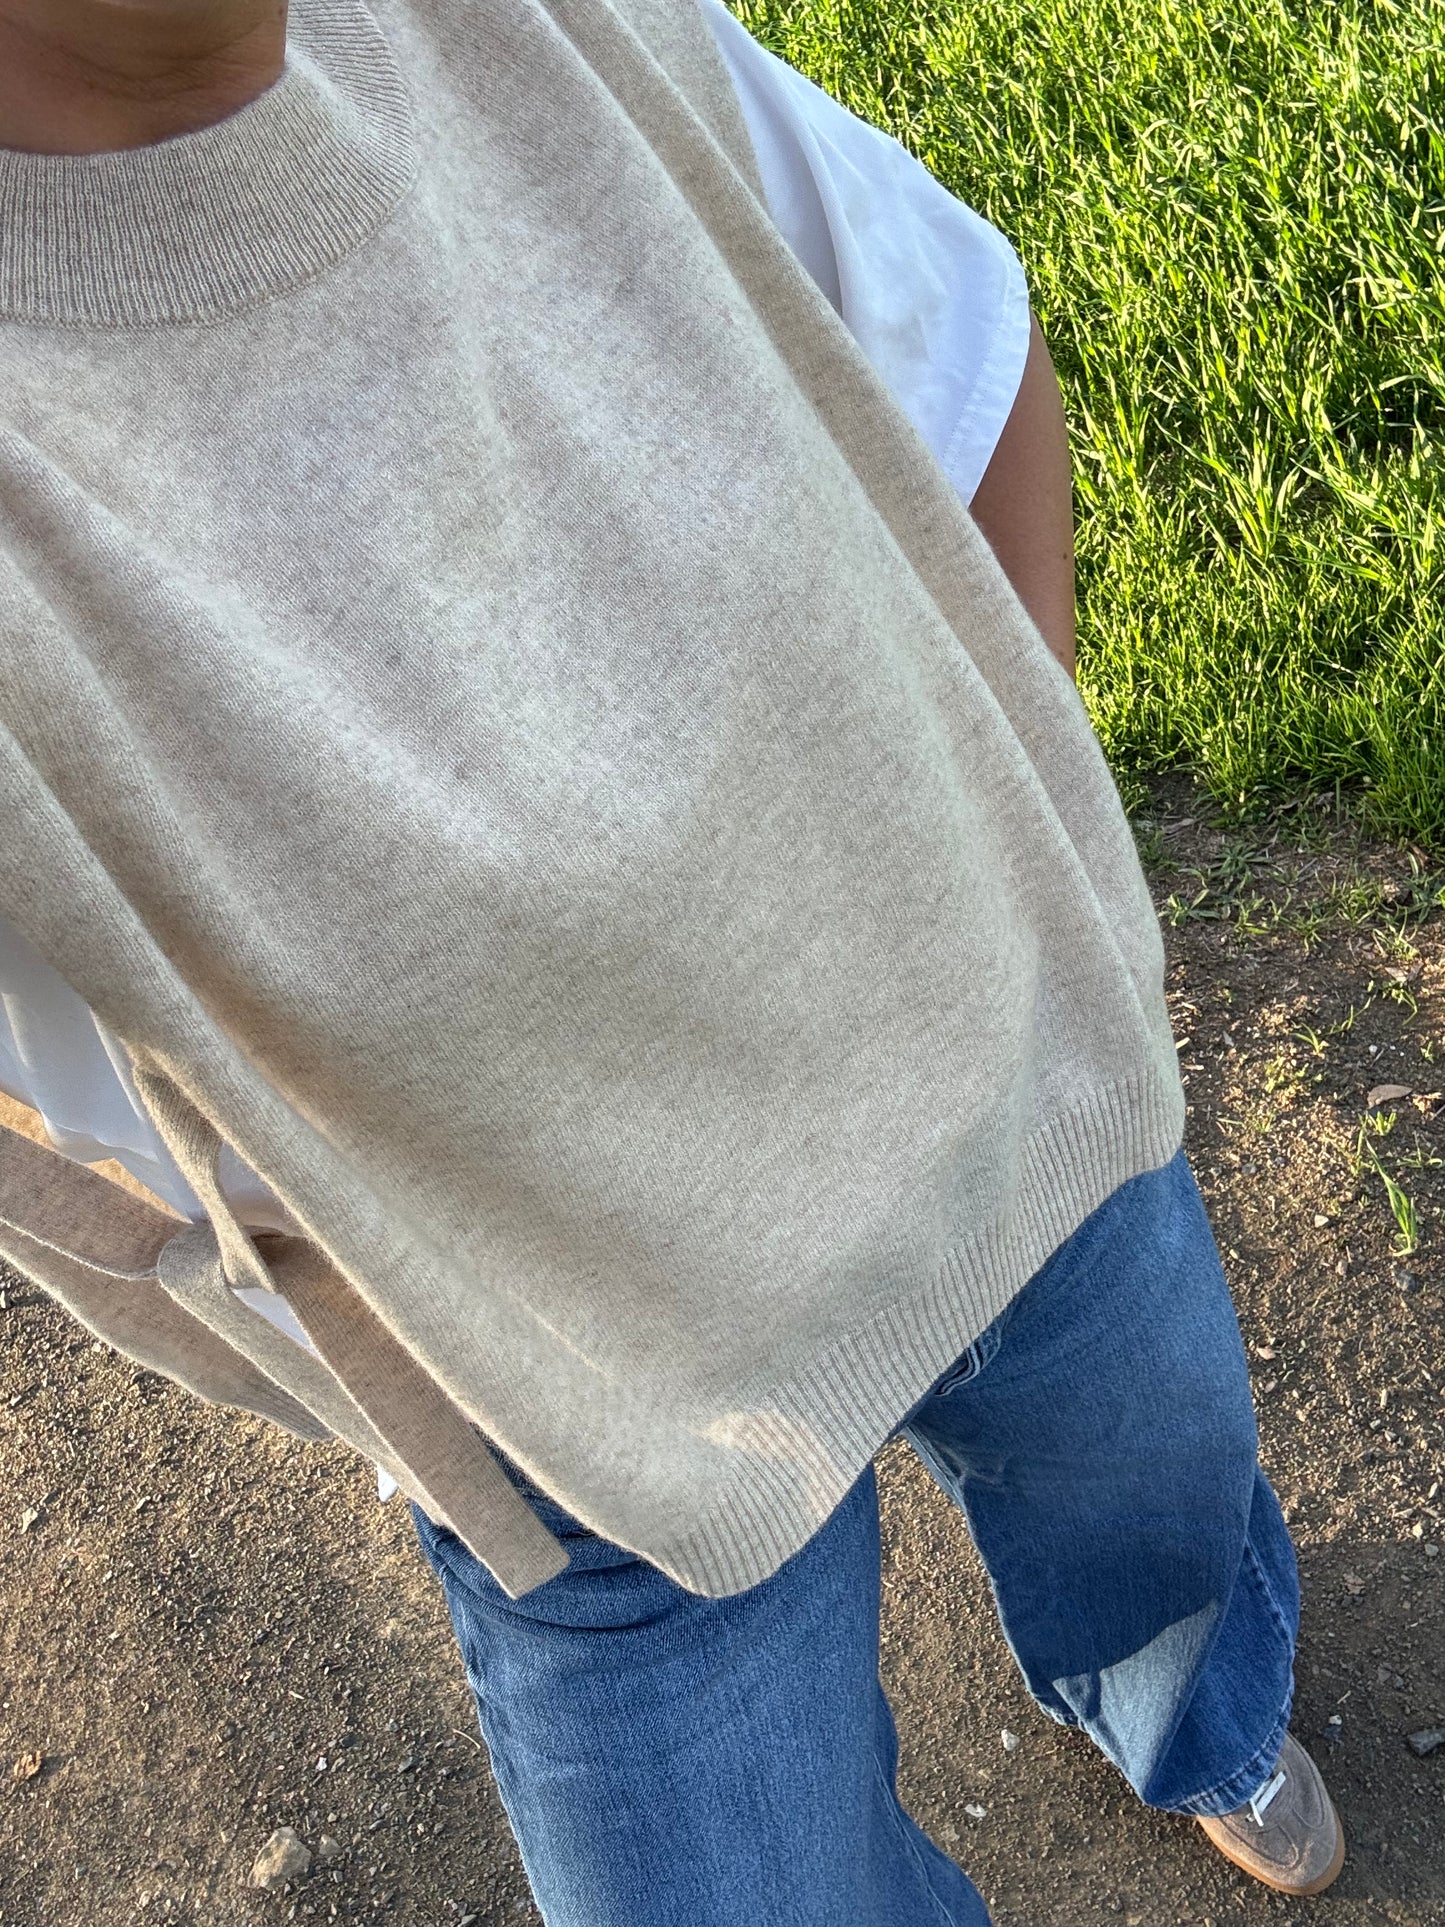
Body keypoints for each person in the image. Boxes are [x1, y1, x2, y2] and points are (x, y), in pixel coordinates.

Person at [0, 0, 1343, 1919]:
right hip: (569, 1397)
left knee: (1152, 1504)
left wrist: (1042, 918)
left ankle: (1194, 1725)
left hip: (992, 1102)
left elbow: (954, 346)